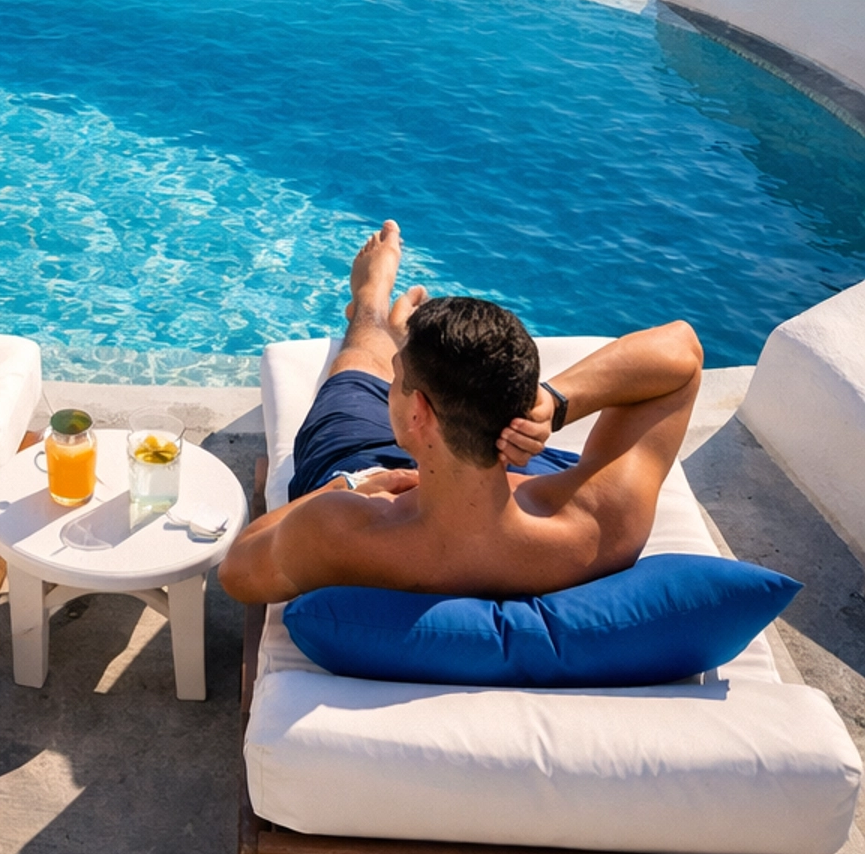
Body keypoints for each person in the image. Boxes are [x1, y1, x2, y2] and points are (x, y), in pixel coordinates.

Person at [219, 219, 702, 607]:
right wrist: (554, 401)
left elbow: (238, 569)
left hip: (365, 462)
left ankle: (369, 304)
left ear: (417, 414)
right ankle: (405, 337)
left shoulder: (343, 528)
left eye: (399, 377)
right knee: (397, 364)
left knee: (359, 364)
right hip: (462, 449)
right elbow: (681, 351)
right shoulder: (597, 523)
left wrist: (347, 485)